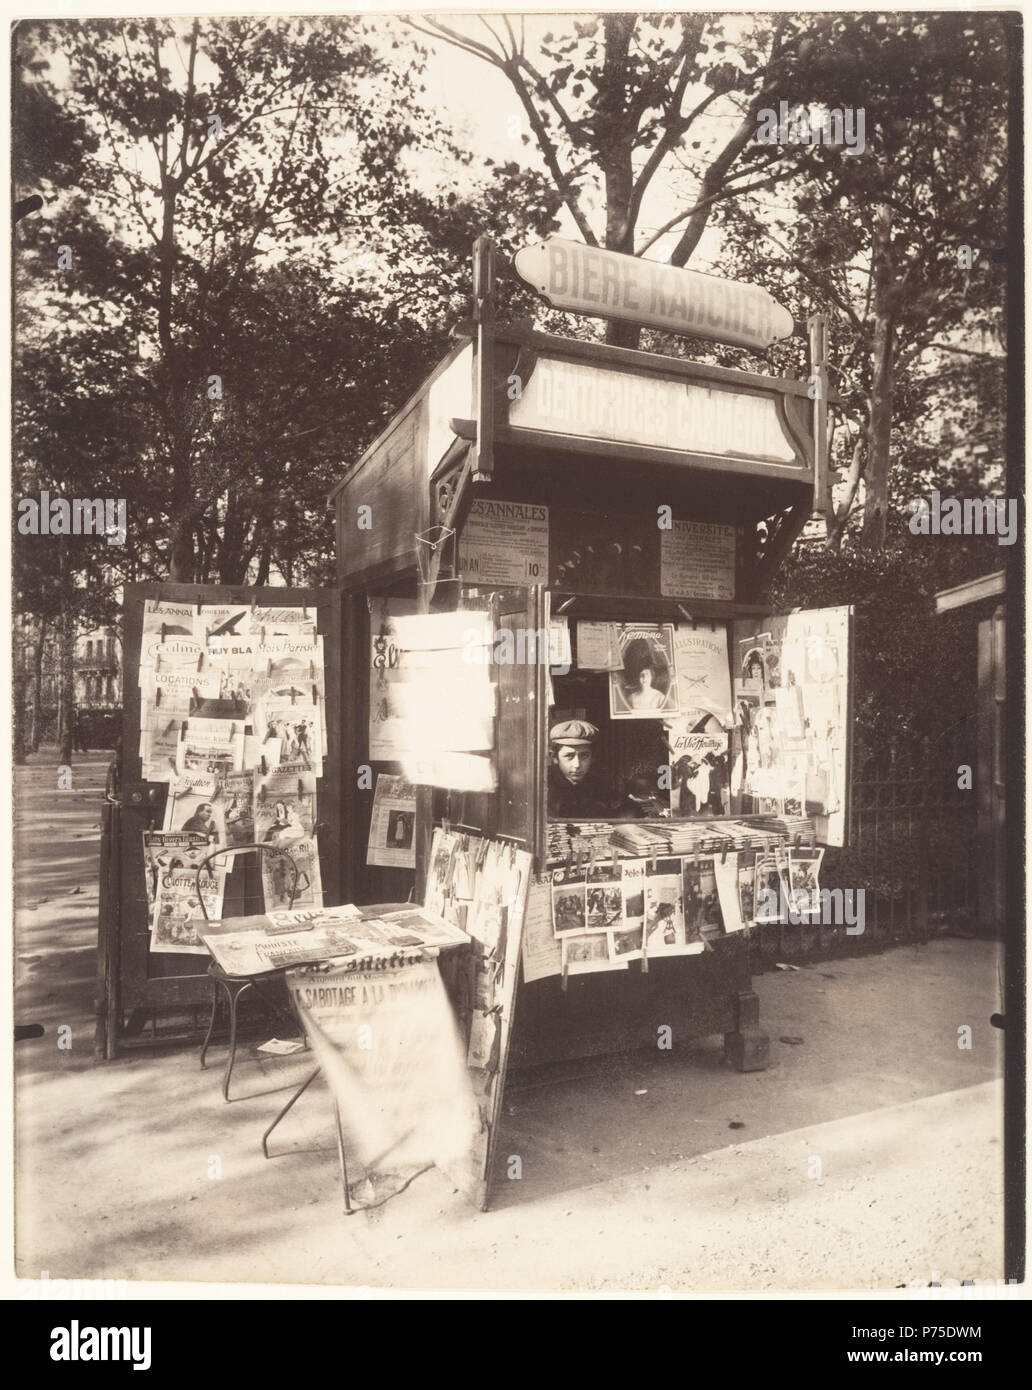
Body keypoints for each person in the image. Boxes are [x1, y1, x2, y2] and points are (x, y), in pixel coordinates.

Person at [547, 720, 644, 819]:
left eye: (584, 756)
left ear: (593, 757)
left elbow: (630, 808)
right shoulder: (544, 787)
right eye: (569, 756)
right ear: (554, 757)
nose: (577, 764)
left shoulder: (594, 783)